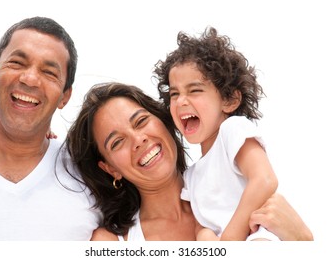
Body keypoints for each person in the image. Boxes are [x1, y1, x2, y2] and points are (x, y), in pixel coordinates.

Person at [65, 81, 313, 241]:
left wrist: (302, 240)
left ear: (164, 121)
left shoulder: (241, 194)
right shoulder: (112, 242)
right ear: (110, 168)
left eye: (141, 121)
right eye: (117, 142)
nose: (138, 139)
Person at [0, 16, 100, 240]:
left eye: (49, 73)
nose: (30, 79)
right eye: (17, 63)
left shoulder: (91, 178)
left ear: (65, 96)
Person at [153, 27, 280, 241]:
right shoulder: (191, 176)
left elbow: (265, 180)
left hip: (259, 237)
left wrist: (231, 237)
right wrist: (204, 236)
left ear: (229, 100)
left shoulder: (234, 130)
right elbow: (200, 224)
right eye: (175, 94)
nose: (181, 100)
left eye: (194, 90)